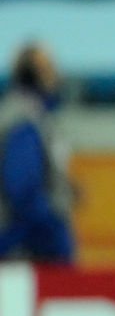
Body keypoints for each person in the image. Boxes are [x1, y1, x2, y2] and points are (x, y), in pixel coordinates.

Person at [0, 44, 77, 264]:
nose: (57, 75)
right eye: (50, 68)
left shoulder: (33, 118)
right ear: (36, 75)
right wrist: (56, 240)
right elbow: (23, 190)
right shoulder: (23, 121)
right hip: (24, 253)